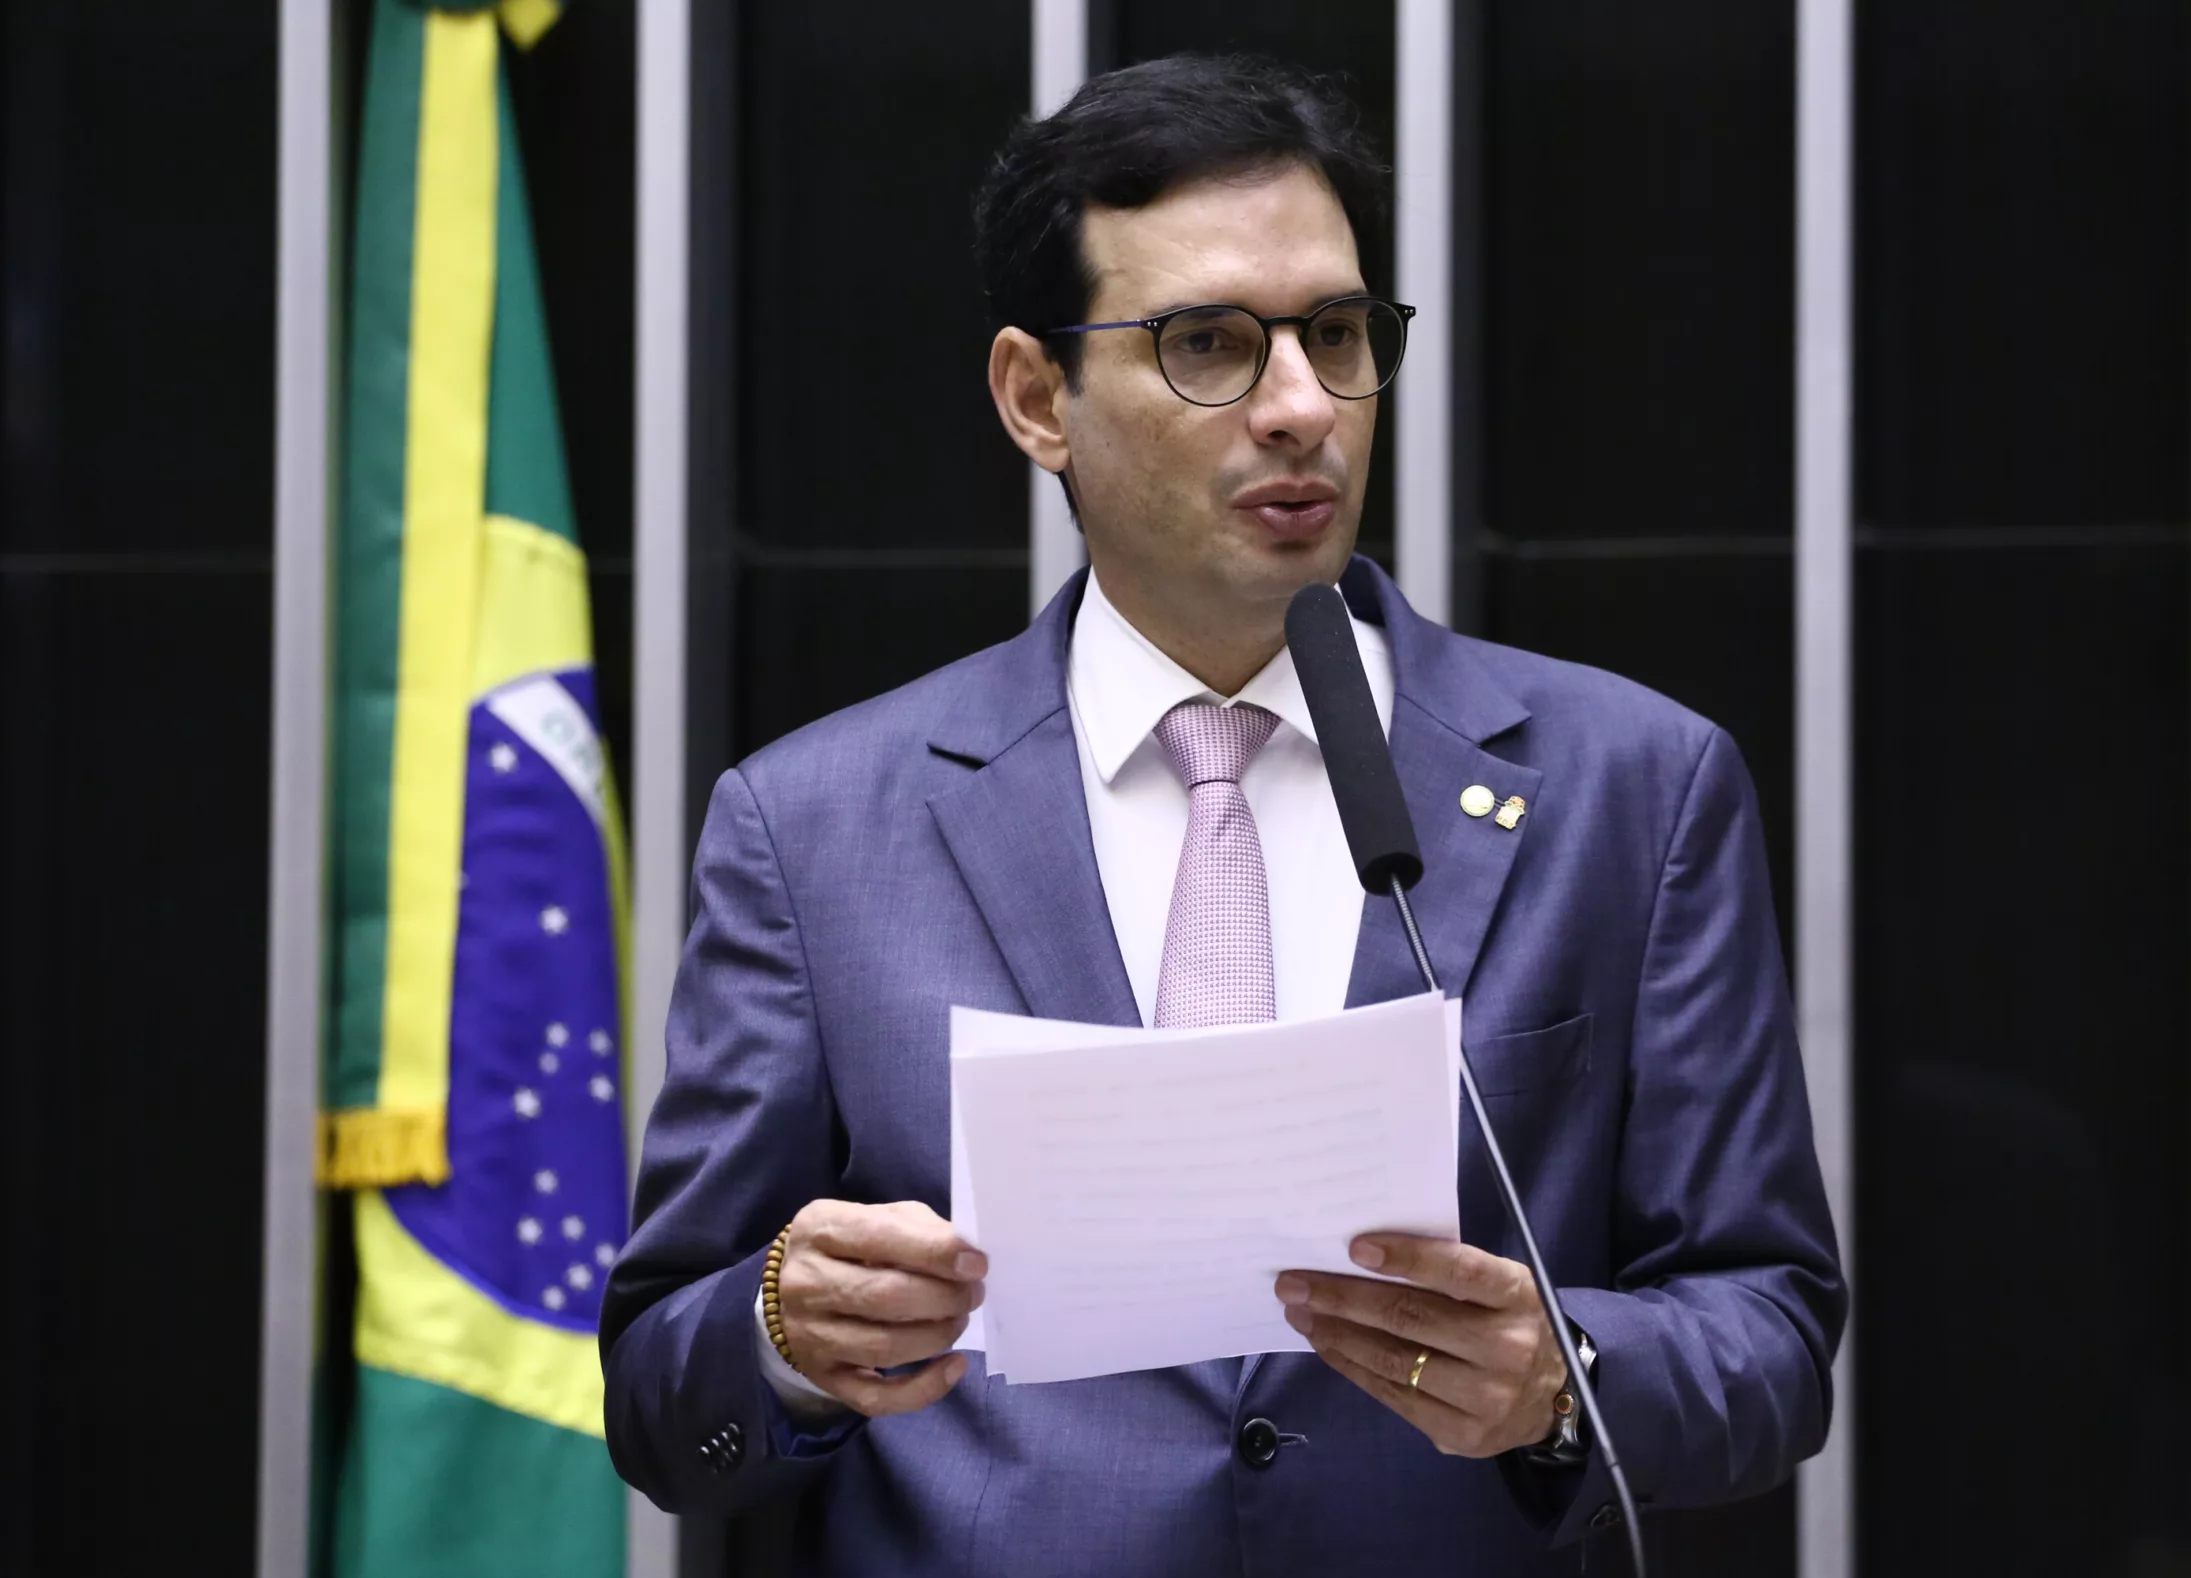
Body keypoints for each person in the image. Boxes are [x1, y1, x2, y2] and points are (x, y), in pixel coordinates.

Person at [601, 54, 1844, 1573]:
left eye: (1337, 334)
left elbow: (1770, 1334)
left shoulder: (1630, 787)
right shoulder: (815, 828)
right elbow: (660, 1399)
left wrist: (1560, 1377)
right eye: (1210, 345)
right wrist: (787, 1332)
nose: (1303, 407)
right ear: (1037, 398)